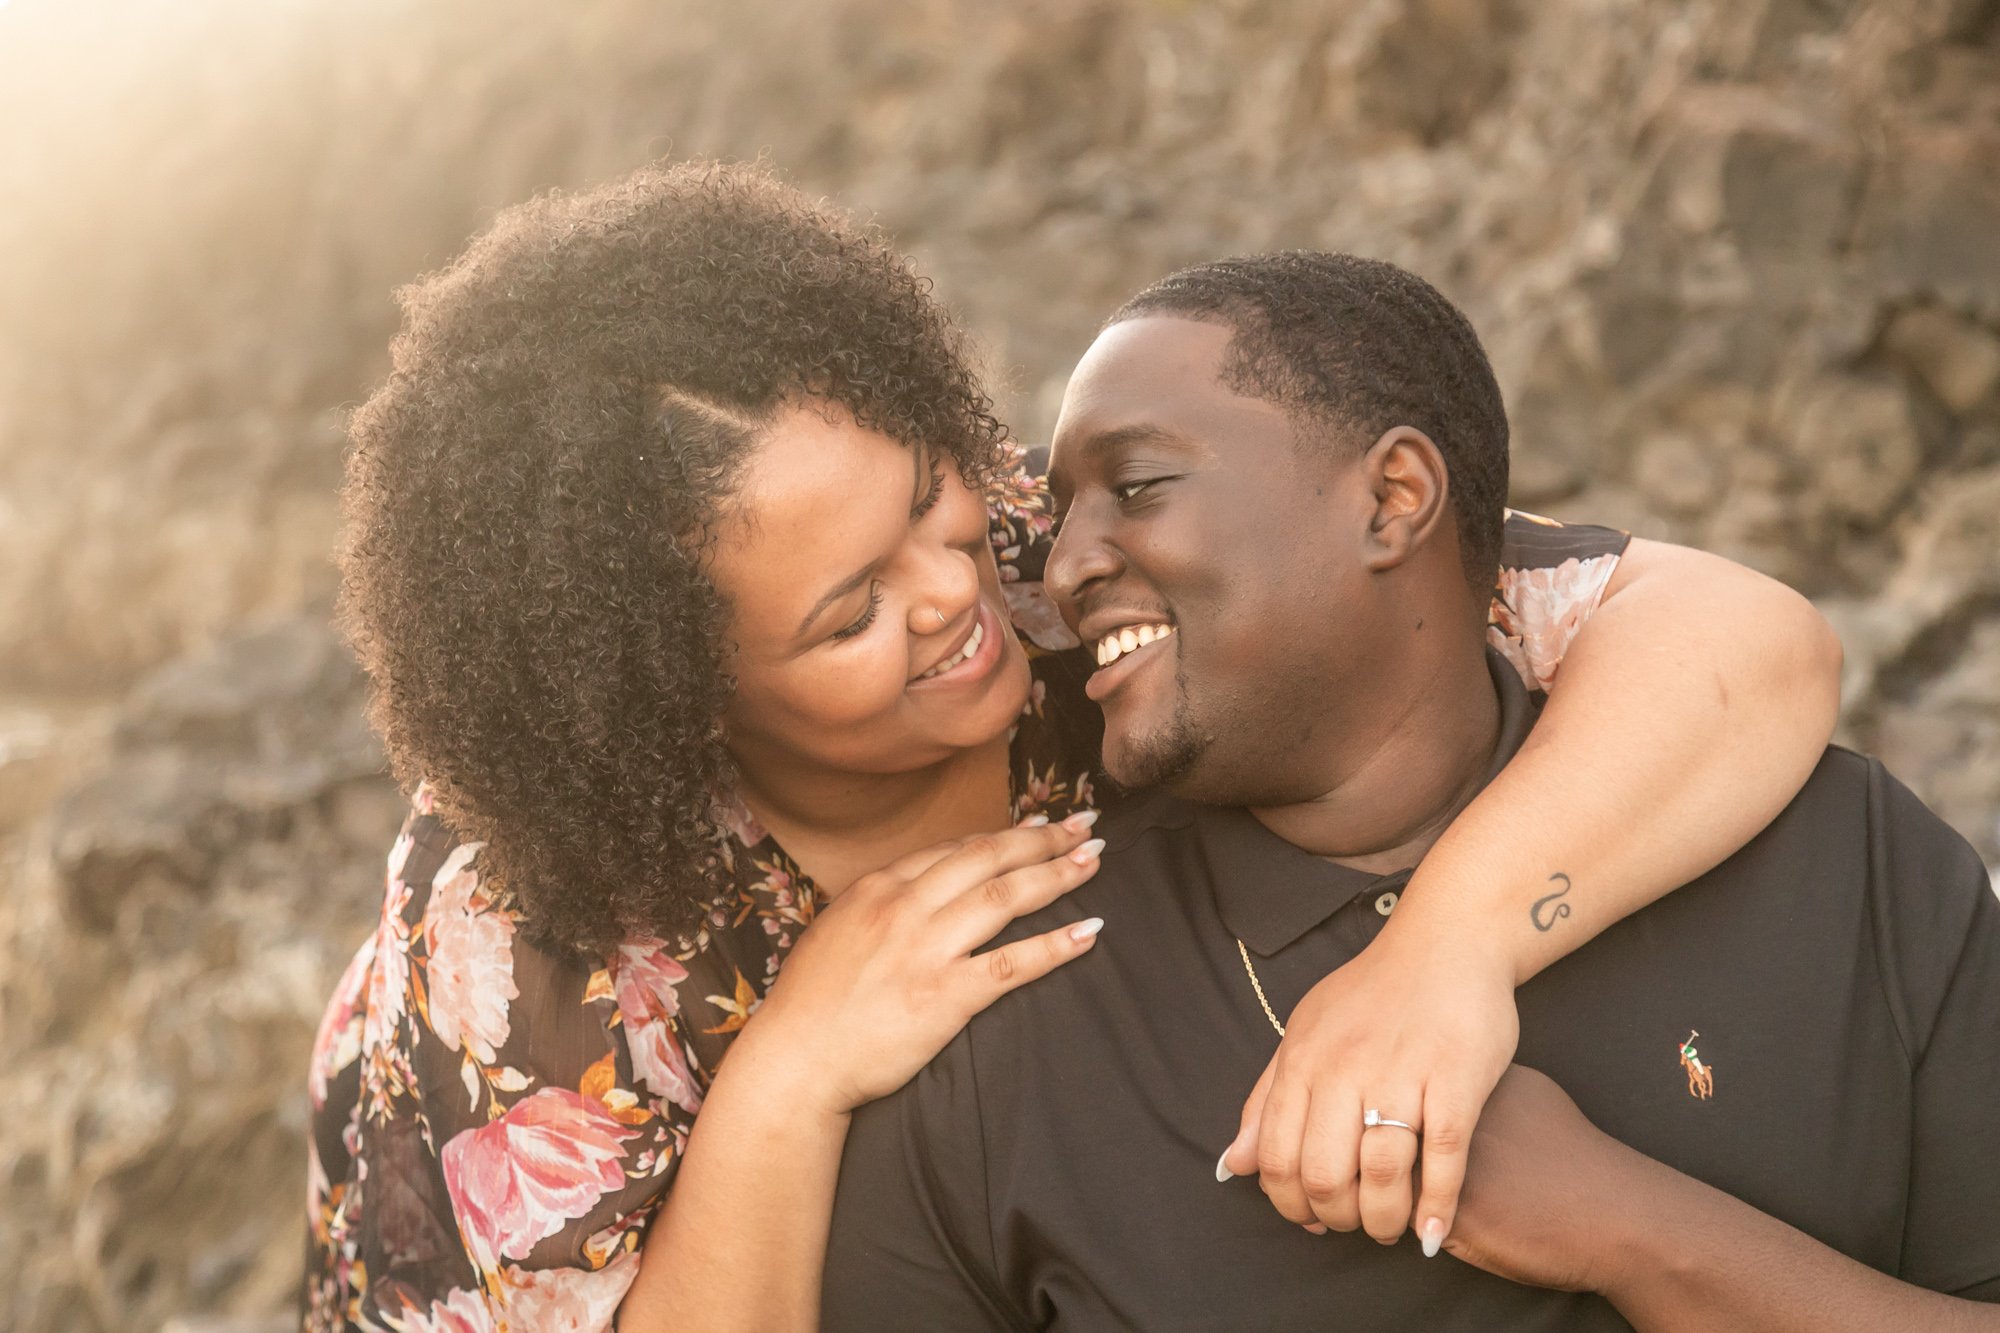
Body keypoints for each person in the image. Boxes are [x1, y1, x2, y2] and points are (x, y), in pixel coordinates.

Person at [302, 163, 1840, 1332]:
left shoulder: (1069, 549)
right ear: (680, 703)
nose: (959, 593)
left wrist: (1447, 954)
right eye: (848, 616)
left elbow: (1744, 646)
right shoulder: (522, 928)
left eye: (924, 493)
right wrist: (790, 1073)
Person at [816, 253, 2000, 1330]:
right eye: (1061, 510)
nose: (1062, 567)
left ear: (1391, 499)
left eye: (1136, 485)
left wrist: (1641, 1235)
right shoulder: (991, 1032)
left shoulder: (1848, 862)